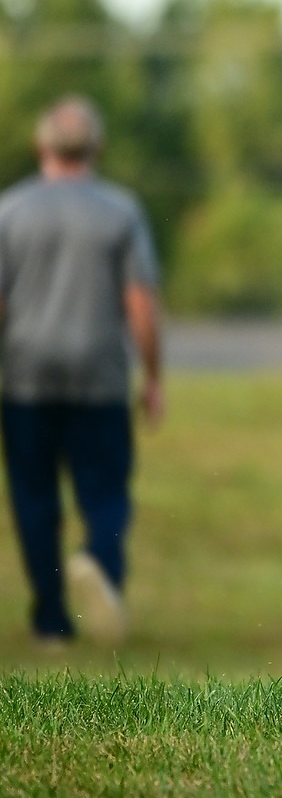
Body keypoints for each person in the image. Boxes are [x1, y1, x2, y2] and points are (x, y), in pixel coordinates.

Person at [0, 95, 164, 647]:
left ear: (41, 145)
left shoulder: (11, 211)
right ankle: (100, 566)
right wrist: (155, 376)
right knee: (106, 492)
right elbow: (140, 302)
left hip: (24, 375)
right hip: (100, 375)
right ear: (96, 147)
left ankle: (51, 620)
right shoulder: (120, 211)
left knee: (34, 496)